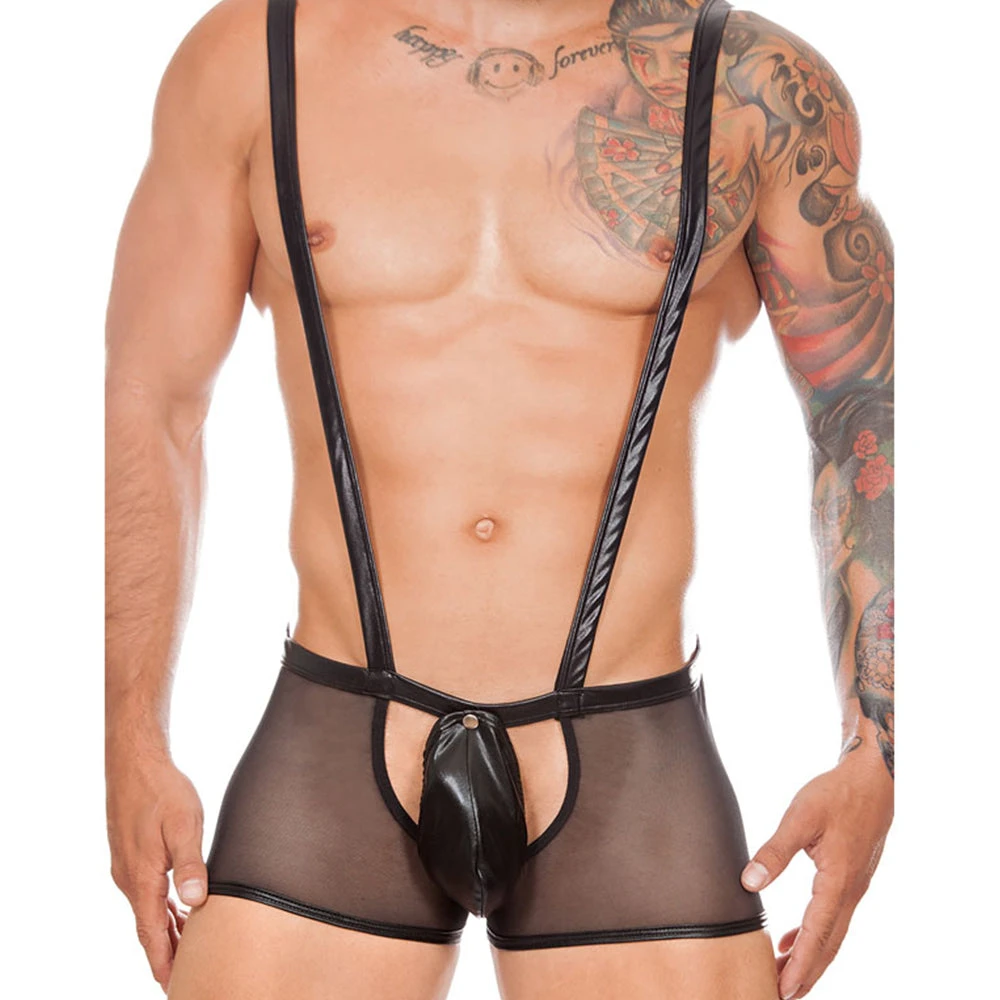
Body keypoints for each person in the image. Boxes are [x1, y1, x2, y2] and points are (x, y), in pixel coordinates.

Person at [104, 0, 894, 997]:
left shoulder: (750, 85)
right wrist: (131, 738)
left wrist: (876, 750)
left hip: (624, 742)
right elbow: (155, 400)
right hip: (343, 720)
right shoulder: (255, 57)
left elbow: (860, 414)